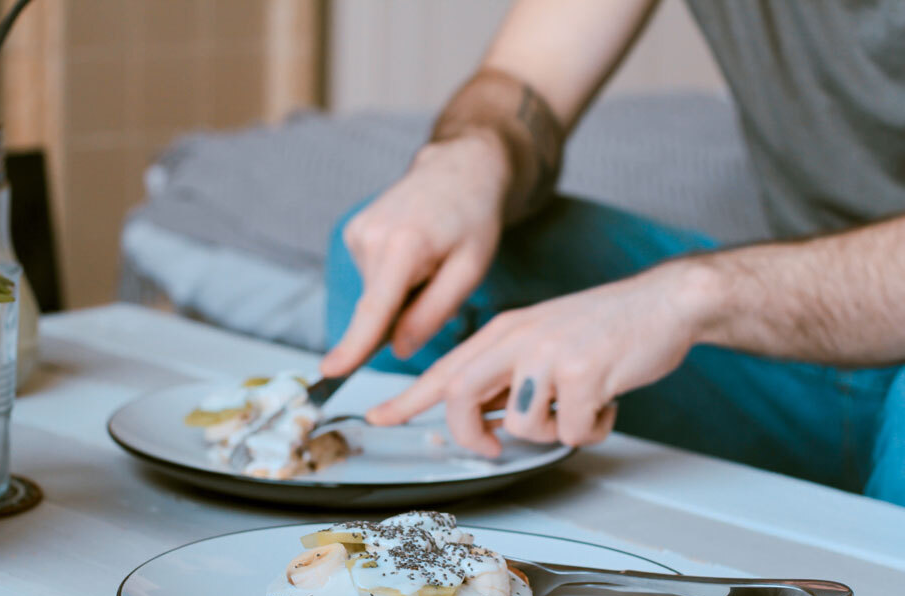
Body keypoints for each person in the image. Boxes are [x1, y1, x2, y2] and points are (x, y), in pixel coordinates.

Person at [321, 0, 905, 505]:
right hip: (798, 361)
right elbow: (525, 81)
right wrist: (472, 155)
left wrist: (692, 297)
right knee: (408, 261)